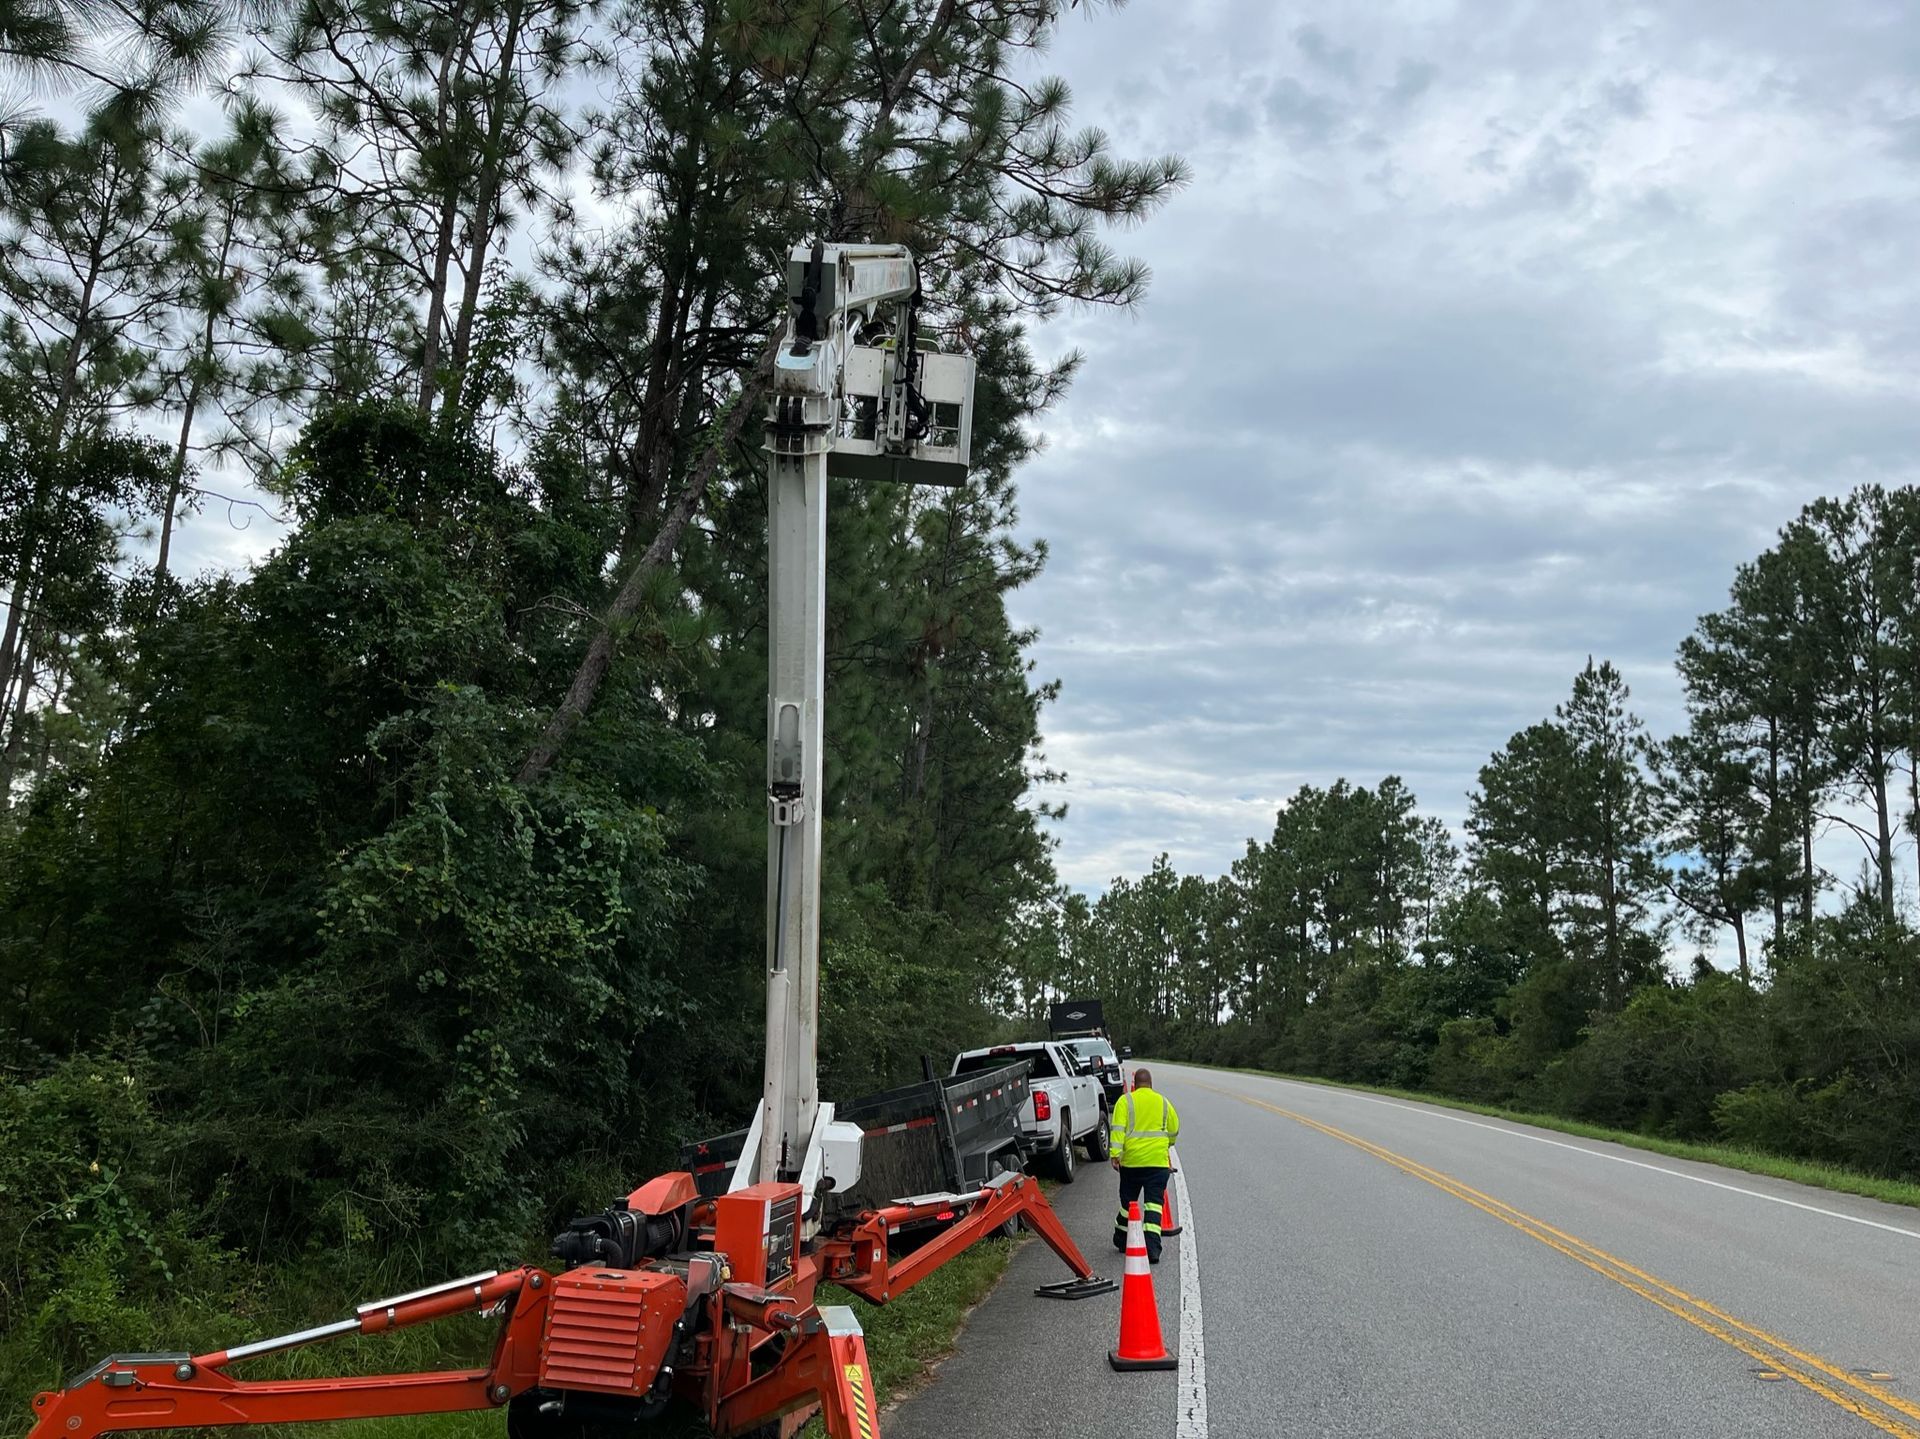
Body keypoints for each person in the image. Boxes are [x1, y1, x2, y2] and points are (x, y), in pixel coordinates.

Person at [1108, 1067, 1180, 1264]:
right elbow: (1174, 1128)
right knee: (1154, 1206)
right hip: (1157, 1164)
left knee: (1128, 1204)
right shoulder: (1163, 1102)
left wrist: (1115, 1155)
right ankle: (1153, 1250)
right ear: (1151, 1084)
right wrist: (1168, 1144)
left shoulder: (1125, 1101)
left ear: (1135, 1085)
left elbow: (1118, 1130)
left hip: (1131, 1163)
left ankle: (1122, 1240)